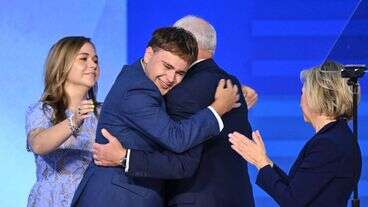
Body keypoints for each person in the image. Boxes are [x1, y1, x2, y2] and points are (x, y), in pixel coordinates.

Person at [93, 16, 256, 207]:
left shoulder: (186, 89)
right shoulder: (230, 83)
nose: (172, 78)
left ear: (189, 45)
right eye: (167, 66)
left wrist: (124, 157)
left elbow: (181, 160)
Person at [229, 61, 362, 207]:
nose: (300, 101)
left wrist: (260, 163)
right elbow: (298, 190)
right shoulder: (336, 137)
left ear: (316, 97)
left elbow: (292, 201)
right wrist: (266, 161)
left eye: (303, 93)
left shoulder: (328, 144)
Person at [25, 36, 101, 207]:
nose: (93, 65)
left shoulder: (104, 114)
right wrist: (74, 120)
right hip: (51, 201)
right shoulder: (42, 110)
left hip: (92, 199)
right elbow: (38, 144)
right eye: (84, 59)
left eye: (95, 60)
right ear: (62, 65)